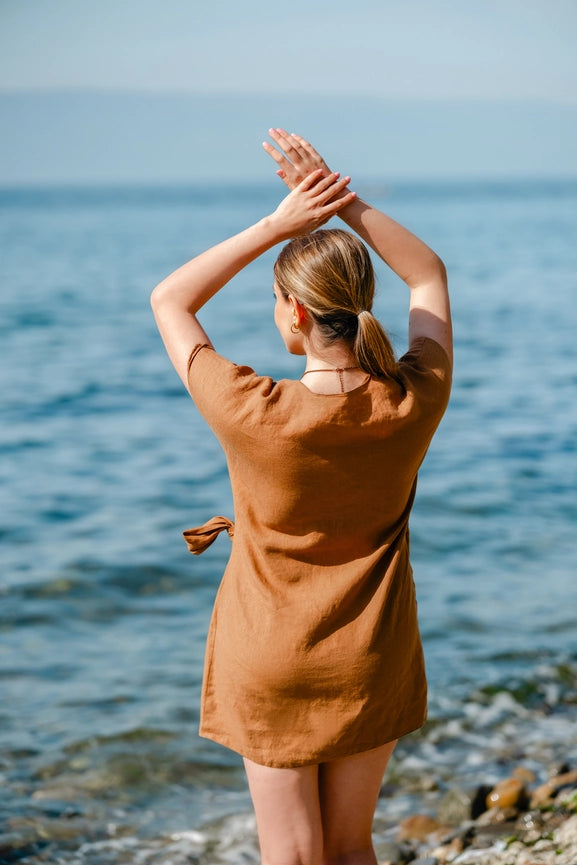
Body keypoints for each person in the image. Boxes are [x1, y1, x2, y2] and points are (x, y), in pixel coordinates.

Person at [151, 130, 452, 865]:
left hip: (270, 658)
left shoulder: (250, 408)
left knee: (290, 853)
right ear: (359, 305)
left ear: (291, 313)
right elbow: (428, 275)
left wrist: (279, 224)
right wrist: (343, 204)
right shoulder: (413, 397)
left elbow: (170, 297)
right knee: (350, 847)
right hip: (371, 654)